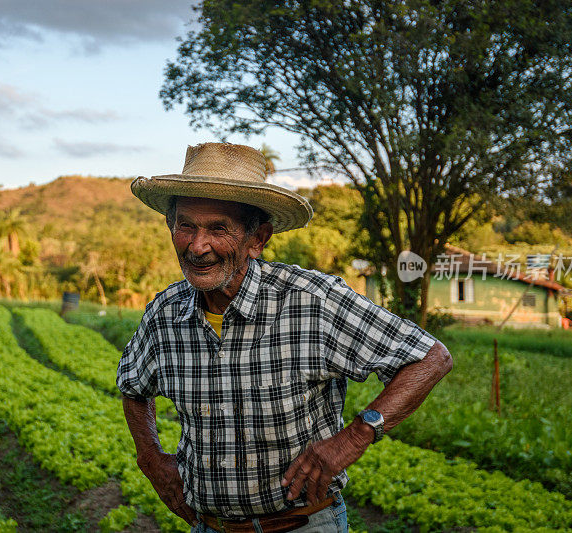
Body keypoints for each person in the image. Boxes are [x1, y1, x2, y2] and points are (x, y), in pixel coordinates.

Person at [117, 142, 453, 533]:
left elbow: (431, 357)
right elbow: (133, 386)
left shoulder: (311, 302)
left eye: (218, 229)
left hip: (304, 525)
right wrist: (152, 459)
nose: (197, 245)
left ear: (257, 239)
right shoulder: (165, 313)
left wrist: (355, 437)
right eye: (186, 225)